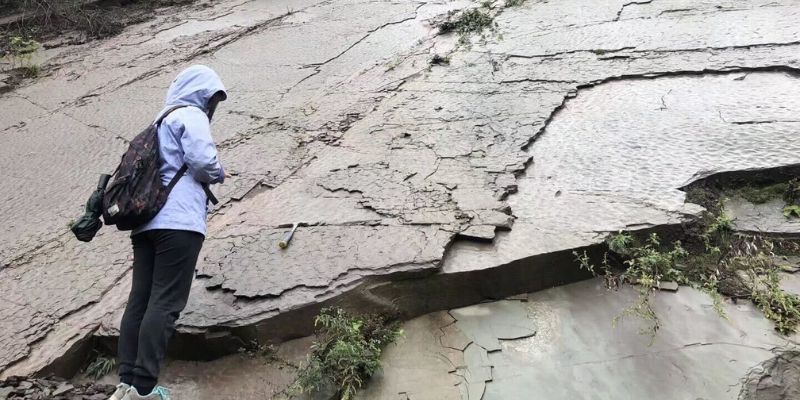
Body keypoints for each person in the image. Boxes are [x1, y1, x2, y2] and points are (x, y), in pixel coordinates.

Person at [108, 65, 228, 400]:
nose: (213, 105)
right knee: (165, 303)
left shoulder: (159, 121)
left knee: (140, 301)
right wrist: (219, 171)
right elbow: (203, 161)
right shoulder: (191, 115)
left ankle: (126, 385)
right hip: (179, 224)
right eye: (212, 97)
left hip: (145, 223)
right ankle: (144, 390)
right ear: (202, 94)